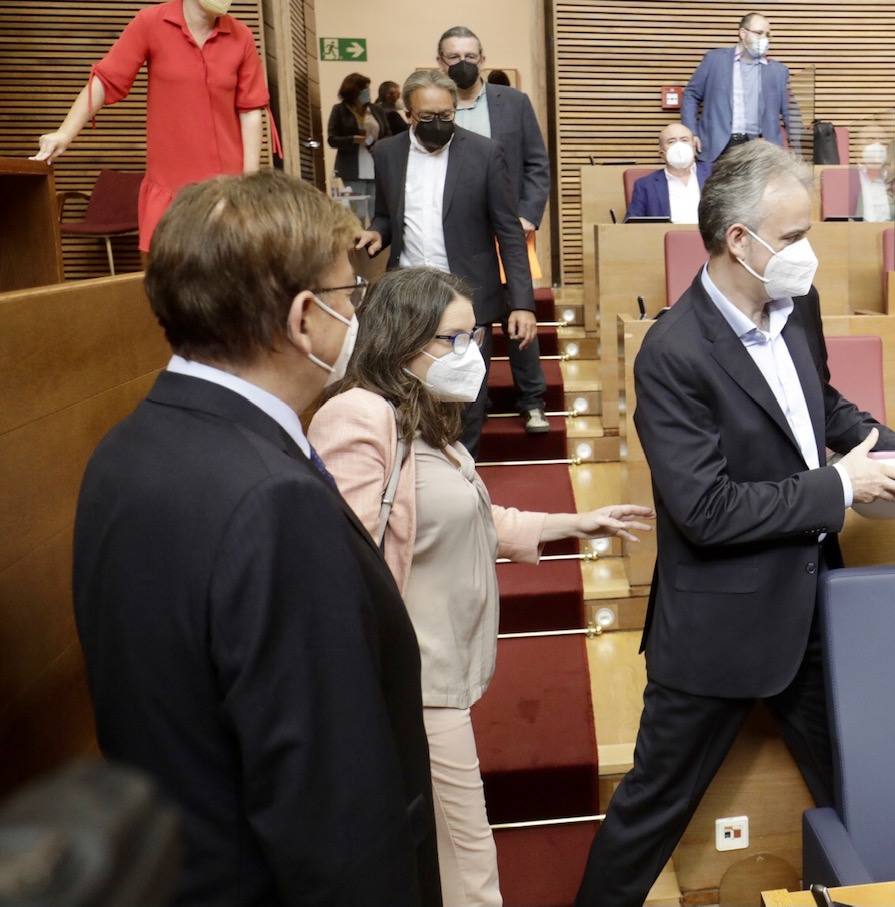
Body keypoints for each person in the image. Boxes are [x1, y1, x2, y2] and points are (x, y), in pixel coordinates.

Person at [574, 140, 895, 907]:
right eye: (796, 235)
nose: (809, 251)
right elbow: (705, 511)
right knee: (652, 808)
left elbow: (825, 408)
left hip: (813, 606)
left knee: (858, 791)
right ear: (740, 240)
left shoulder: (796, 303)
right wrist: (839, 485)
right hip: (719, 625)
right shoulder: (672, 353)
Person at [71, 171, 442, 906]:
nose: (356, 315)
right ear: (304, 319)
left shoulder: (124, 449)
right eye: (350, 296)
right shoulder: (274, 501)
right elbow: (330, 810)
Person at [310, 266, 652, 907]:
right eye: (453, 339)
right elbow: (341, 565)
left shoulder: (426, 423)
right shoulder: (359, 417)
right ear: (402, 337)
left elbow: (472, 517)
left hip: (443, 674)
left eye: (475, 337)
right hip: (410, 684)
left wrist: (574, 521)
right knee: (469, 865)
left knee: (450, 854)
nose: (470, 355)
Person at [356, 68, 537, 453]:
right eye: (427, 118)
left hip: (467, 300)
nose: (438, 124)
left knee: (466, 400)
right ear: (408, 114)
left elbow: (508, 231)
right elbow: (389, 215)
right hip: (406, 298)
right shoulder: (387, 153)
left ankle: (461, 475)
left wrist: (521, 303)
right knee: (405, 396)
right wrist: (376, 232)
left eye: (446, 116)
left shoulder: (485, 153)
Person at [31, 0, 281, 252]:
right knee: (169, 276)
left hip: (227, 187)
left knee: (230, 274)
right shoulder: (151, 23)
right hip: (170, 185)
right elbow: (106, 80)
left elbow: (250, 109)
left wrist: (249, 183)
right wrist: (65, 132)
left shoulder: (242, 37)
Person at [437, 26, 552, 434]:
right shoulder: (437, 106)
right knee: (470, 318)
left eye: (470, 55)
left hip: (512, 228)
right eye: (453, 57)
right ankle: (473, 403)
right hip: (462, 232)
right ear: (441, 63)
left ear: (483, 58)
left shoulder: (514, 103)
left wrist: (527, 215)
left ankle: (532, 399)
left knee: (519, 311)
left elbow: (538, 165)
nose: (462, 63)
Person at [680, 11, 801, 162]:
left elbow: (792, 113)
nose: (764, 39)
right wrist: (691, 133)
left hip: (761, 148)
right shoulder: (714, 60)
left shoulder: (778, 71)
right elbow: (691, 95)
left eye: (767, 35)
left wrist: (797, 150)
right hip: (718, 146)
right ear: (743, 33)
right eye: (759, 33)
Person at [625, 123, 713, 223]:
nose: (679, 146)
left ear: (694, 146)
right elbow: (632, 226)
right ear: (662, 153)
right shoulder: (645, 186)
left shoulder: (715, 174)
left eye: (684, 140)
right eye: (671, 142)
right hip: (663, 237)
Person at [328, 72, 384, 197]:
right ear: (354, 91)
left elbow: (387, 133)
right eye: (365, 89)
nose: (368, 92)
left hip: (375, 163)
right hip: (351, 167)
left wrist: (376, 143)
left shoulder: (376, 110)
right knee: (358, 210)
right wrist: (352, 139)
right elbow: (332, 139)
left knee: (375, 208)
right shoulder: (339, 110)